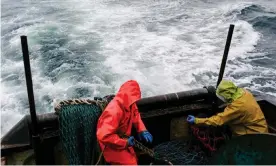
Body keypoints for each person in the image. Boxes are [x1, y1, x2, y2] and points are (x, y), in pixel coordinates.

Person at [96, 80, 153, 165]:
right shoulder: (113, 111)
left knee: (133, 159)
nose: (134, 102)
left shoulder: (130, 103)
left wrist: (142, 130)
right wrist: (125, 143)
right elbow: (103, 136)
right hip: (112, 147)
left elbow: (135, 114)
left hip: (124, 141)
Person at [187, 80, 268, 136]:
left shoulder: (237, 107)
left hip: (251, 137)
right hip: (262, 130)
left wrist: (196, 120)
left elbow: (218, 120)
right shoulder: (245, 93)